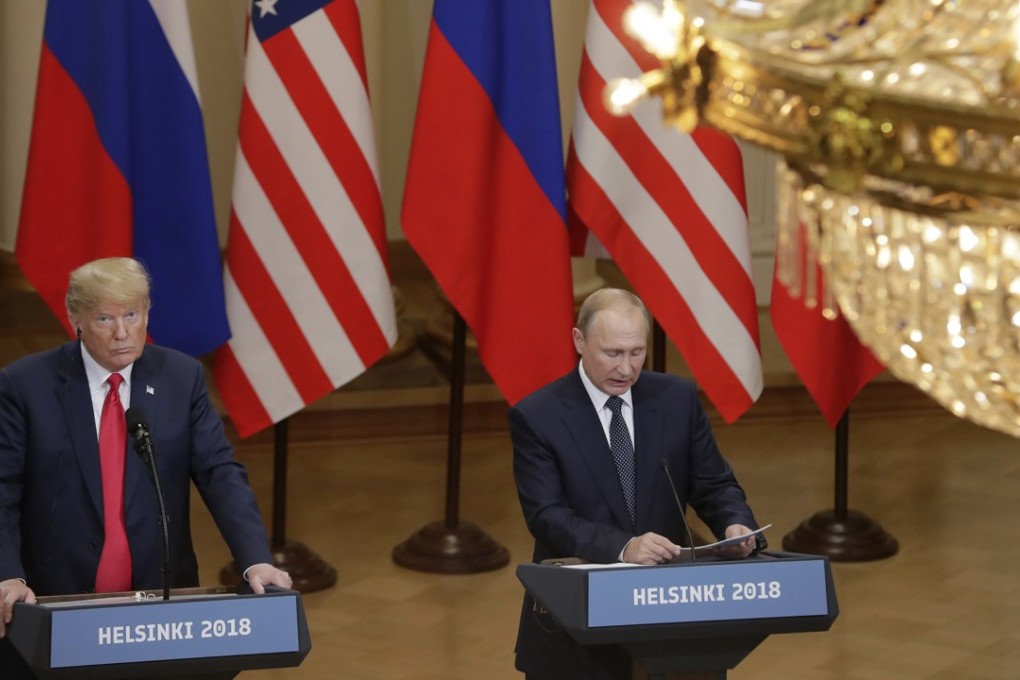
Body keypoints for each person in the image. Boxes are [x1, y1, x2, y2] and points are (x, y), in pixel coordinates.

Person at [0, 257, 291, 676]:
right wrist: (8, 575)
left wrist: (254, 560)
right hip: (55, 603)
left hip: (159, 604)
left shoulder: (180, 377)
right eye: (104, 318)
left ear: (147, 312)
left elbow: (219, 472)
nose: (122, 333)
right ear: (75, 318)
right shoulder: (25, 385)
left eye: (132, 315)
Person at [510, 288, 763, 680]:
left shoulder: (677, 399)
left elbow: (714, 484)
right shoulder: (538, 416)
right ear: (579, 341)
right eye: (612, 353)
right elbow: (547, 516)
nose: (626, 369)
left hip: (671, 616)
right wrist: (624, 547)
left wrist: (734, 523)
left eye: (636, 353)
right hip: (579, 623)